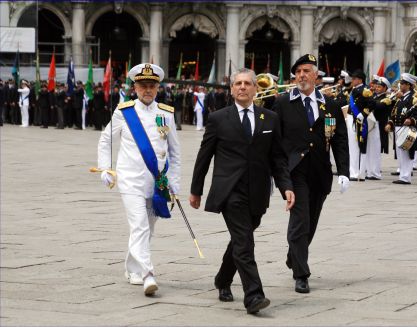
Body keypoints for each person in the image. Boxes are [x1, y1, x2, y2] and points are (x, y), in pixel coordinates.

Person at [189, 68, 294, 314]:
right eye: (238, 83)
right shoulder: (218, 118)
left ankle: (223, 279)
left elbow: (278, 158)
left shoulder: (269, 118)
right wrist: (196, 190)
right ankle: (254, 296)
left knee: (240, 240)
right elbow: (204, 157)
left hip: (258, 192)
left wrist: (286, 187)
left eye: (248, 83)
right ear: (232, 88)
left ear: (256, 88)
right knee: (245, 242)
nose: (243, 87)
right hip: (230, 191)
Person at [97, 63, 181, 295]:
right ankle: (147, 274)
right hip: (130, 179)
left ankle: (132, 268)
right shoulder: (124, 112)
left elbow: (175, 151)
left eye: (152, 85)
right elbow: (106, 141)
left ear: (157, 88)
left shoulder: (166, 113)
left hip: (156, 182)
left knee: (147, 230)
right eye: (143, 85)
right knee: (140, 226)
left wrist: (174, 182)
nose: (147, 90)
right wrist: (106, 169)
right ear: (135, 87)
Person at [272, 54, 350, 293]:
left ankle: (294, 255)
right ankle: (301, 273)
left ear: (317, 76)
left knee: (311, 222)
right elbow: (275, 141)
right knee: (300, 221)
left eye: (306, 71)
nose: (301, 75)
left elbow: (339, 139)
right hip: (295, 172)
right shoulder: (283, 103)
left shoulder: (331, 104)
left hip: (320, 172)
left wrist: (344, 171)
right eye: (298, 72)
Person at [385, 73, 417, 184]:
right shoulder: (400, 98)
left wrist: (412, 120)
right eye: (401, 83)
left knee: (406, 153)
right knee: (400, 153)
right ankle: (402, 175)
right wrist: (390, 123)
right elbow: (394, 112)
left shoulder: (413, 97)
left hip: (407, 127)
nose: (401, 86)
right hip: (398, 127)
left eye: (403, 84)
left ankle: (406, 177)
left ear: (409, 85)